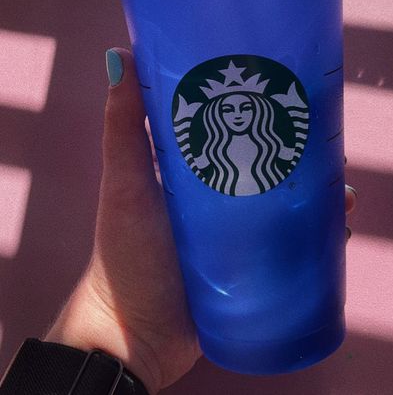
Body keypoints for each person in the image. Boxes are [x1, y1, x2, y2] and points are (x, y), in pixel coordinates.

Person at [0, 48, 357, 394]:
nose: (237, 113)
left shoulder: (272, 150)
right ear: (213, 113)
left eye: (246, 105)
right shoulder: (216, 152)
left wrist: (122, 332)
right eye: (228, 106)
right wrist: (123, 328)